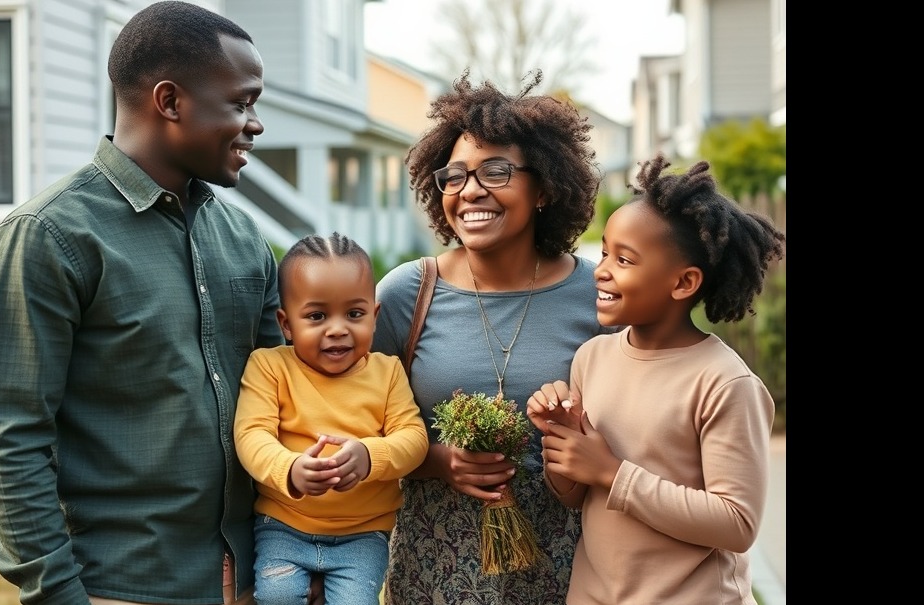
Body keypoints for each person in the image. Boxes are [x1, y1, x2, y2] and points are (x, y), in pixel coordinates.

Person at [0, 3, 319, 603]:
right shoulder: (49, 237)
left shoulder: (245, 241)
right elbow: (10, 441)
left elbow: (282, 409)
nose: (256, 124)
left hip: (255, 583)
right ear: (170, 101)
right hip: (120, 588)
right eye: (241, 103)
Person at [371, 69, 613, 604]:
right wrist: (437, 459)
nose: (470, 190)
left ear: (545, 186)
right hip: (434, 572)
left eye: (495, 171)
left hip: (568, 570)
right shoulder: (409, 293)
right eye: (453, 176)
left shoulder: (596, 297)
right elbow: (356, 418)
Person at [526, 153, 786, 605]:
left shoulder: (724, 383)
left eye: (624, 260)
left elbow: (736, 523)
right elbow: (575, 496)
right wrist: (564, 442)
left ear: (683, 282)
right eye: (605, 252)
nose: (602, 269)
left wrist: (610, 471)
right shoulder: (592, 357)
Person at [234, 232, 429, 605]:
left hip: (363, 534)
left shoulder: (386, 372)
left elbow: (414, 438)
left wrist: (370, 456)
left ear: (374, 316)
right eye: (317, 316)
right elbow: (251, 434)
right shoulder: (270, 367)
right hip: (284, 526)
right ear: (286, 324)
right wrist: (289, 468)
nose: (337, 328)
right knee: (275, 596)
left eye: (354, 314)